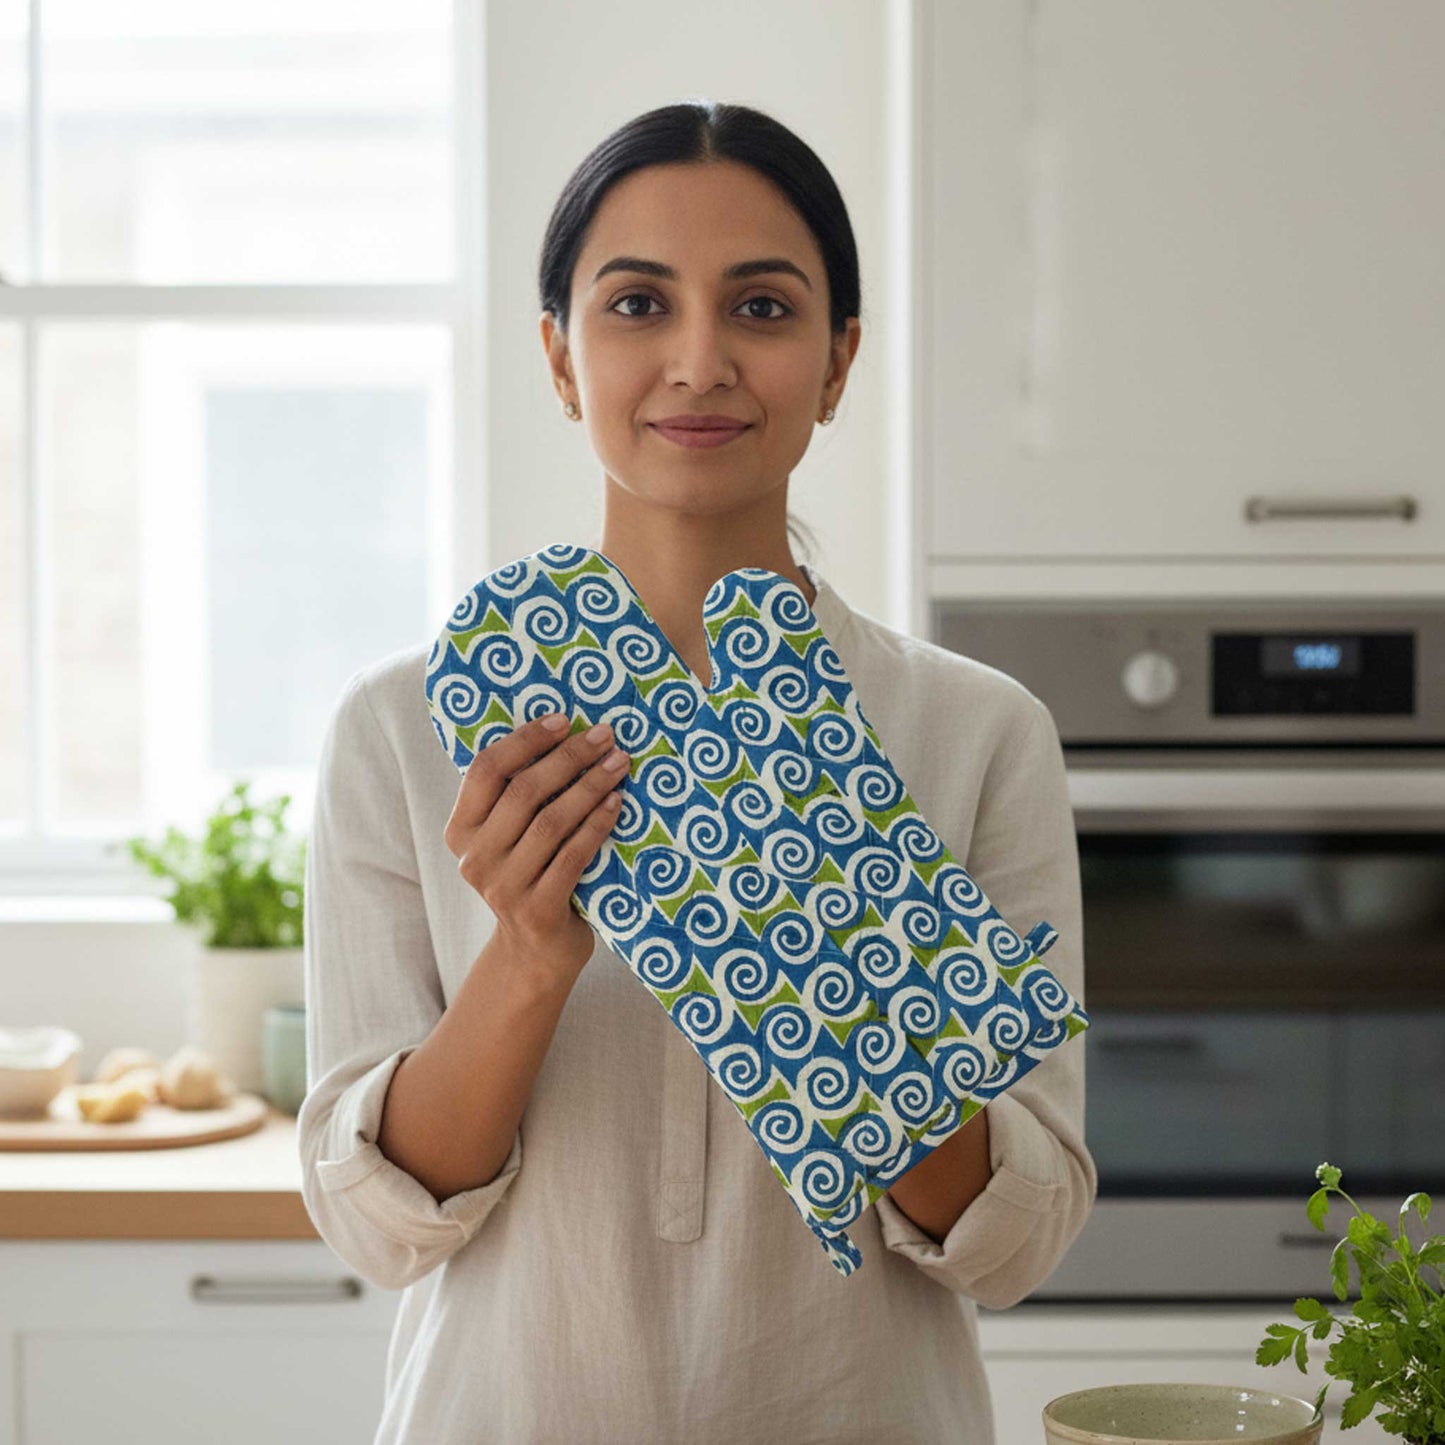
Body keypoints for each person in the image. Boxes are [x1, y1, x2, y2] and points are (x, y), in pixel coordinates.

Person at [298, 100, 1096, 1445]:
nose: (697, 360)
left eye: (764, 309)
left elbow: (1014, 1239)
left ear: (838, 362)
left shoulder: (976, 732)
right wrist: (528, 955)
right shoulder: (401, 728)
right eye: (636, 304)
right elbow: (379, 1221)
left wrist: (827, 948)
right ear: (560, 358)